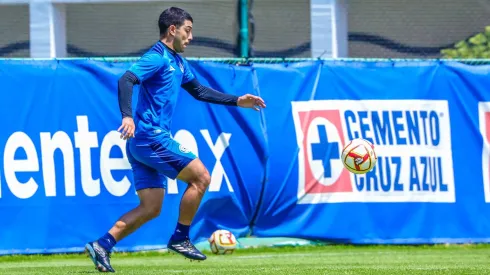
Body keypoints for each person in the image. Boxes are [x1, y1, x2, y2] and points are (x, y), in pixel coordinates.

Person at [84, 6, 266, 273]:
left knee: (151, 207)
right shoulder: (157, 57)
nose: (190, 37)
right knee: (201, 177)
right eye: (188, 31)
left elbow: (200, 91)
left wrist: (237, 100)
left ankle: (103, 245)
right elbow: (127, 79)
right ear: (173, 30)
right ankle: (180, 237)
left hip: (143, 144)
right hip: (150, 137)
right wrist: (127, 116)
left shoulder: (179, 62)